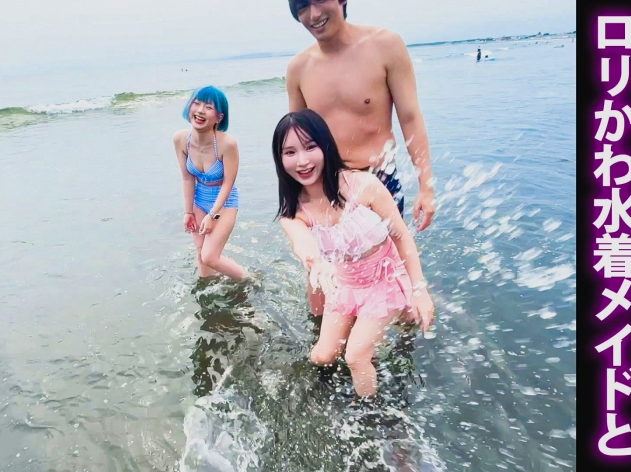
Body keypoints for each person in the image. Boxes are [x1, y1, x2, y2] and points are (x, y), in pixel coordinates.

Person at [284, 0, 436, 316]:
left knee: (391, 274)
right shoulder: (299, 68)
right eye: (302, 6)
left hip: (378, 181)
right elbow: (295, 139)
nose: (313, 14)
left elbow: (410, 117)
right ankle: (322, 340)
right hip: (325, 185)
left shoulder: (385, 46)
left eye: (319, 1)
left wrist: (426, 185)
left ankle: (404, 336)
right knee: (323, 283)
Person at [272, 109, 435, 401]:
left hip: (385, 280)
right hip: (346, 285)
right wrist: (317, 263)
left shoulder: (363, 186)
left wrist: (420, 289)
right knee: (322, 356)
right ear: (280, 159)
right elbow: (303, 243)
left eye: (310, 147)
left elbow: (401, 236)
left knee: (355, 356)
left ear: (326, 145)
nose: (302, 161)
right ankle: (400, 320)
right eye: (290, 152)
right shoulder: (293, 213)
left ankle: (372, 413)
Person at [173, 86, 248, 281]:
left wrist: (213, 215)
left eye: (208, 107)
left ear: (219, 117)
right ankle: (207, 288)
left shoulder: (227, 144)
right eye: (196, 103)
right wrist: (188, 212)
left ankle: (249, 279)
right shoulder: (180, 139)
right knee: (200, 253)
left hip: (224, 201)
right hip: (199, 198)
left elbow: (228, 184)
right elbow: (187, 178)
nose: (200, 111)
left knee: (210, 256)